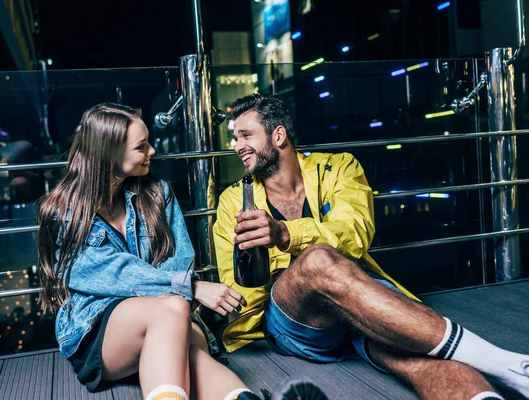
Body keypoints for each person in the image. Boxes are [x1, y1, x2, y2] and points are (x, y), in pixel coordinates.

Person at [213, 94, 529, 400]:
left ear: (278, 135)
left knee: (423, 357)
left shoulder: (339, 168)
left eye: (245, 135)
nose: (236, 146)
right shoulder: (233, 202)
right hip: (295, 323)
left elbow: (355, 232)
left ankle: (512, 374)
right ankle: (498, 359)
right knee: (316, 261)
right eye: (235, 138)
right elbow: (239, 289)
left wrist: (285, 234)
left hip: (359, 300)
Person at [36, 103, 320, 400]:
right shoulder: (64, 211)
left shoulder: (157, 192)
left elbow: (179, 260)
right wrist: (189, 287)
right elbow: (107, 274)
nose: (153, 151)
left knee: (188, 347)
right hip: (99, 332)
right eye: (142, 146)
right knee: (174, 311)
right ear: (109, 153)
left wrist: (180, 286)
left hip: (171, 313)